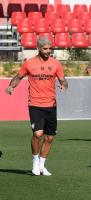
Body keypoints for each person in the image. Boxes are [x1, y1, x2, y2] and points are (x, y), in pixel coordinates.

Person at [5, 36, 68, 176]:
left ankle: (42, 165)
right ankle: (34, 160)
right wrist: (11, 86)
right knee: (38, 133)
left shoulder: (56, 64)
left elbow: (63, 80)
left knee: (49, 138)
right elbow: (18, 77)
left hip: (51, 105)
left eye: (49, 48)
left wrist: (64, 86)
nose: (48, 51)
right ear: (38, 48)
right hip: (35, 104)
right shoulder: (29, 63)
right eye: (45, 49)